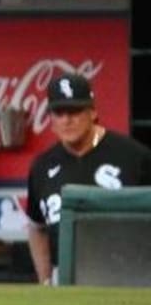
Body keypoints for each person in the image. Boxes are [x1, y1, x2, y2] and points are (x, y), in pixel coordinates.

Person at [25, 73, 151, 286]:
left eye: (75, 110)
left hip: (130, 276)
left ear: (92, 112)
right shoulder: (42, 166)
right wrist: (45, 280)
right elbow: (36, 227)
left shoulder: (134, 156)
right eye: (59, 112)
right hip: (66, 280)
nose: (67, 119)